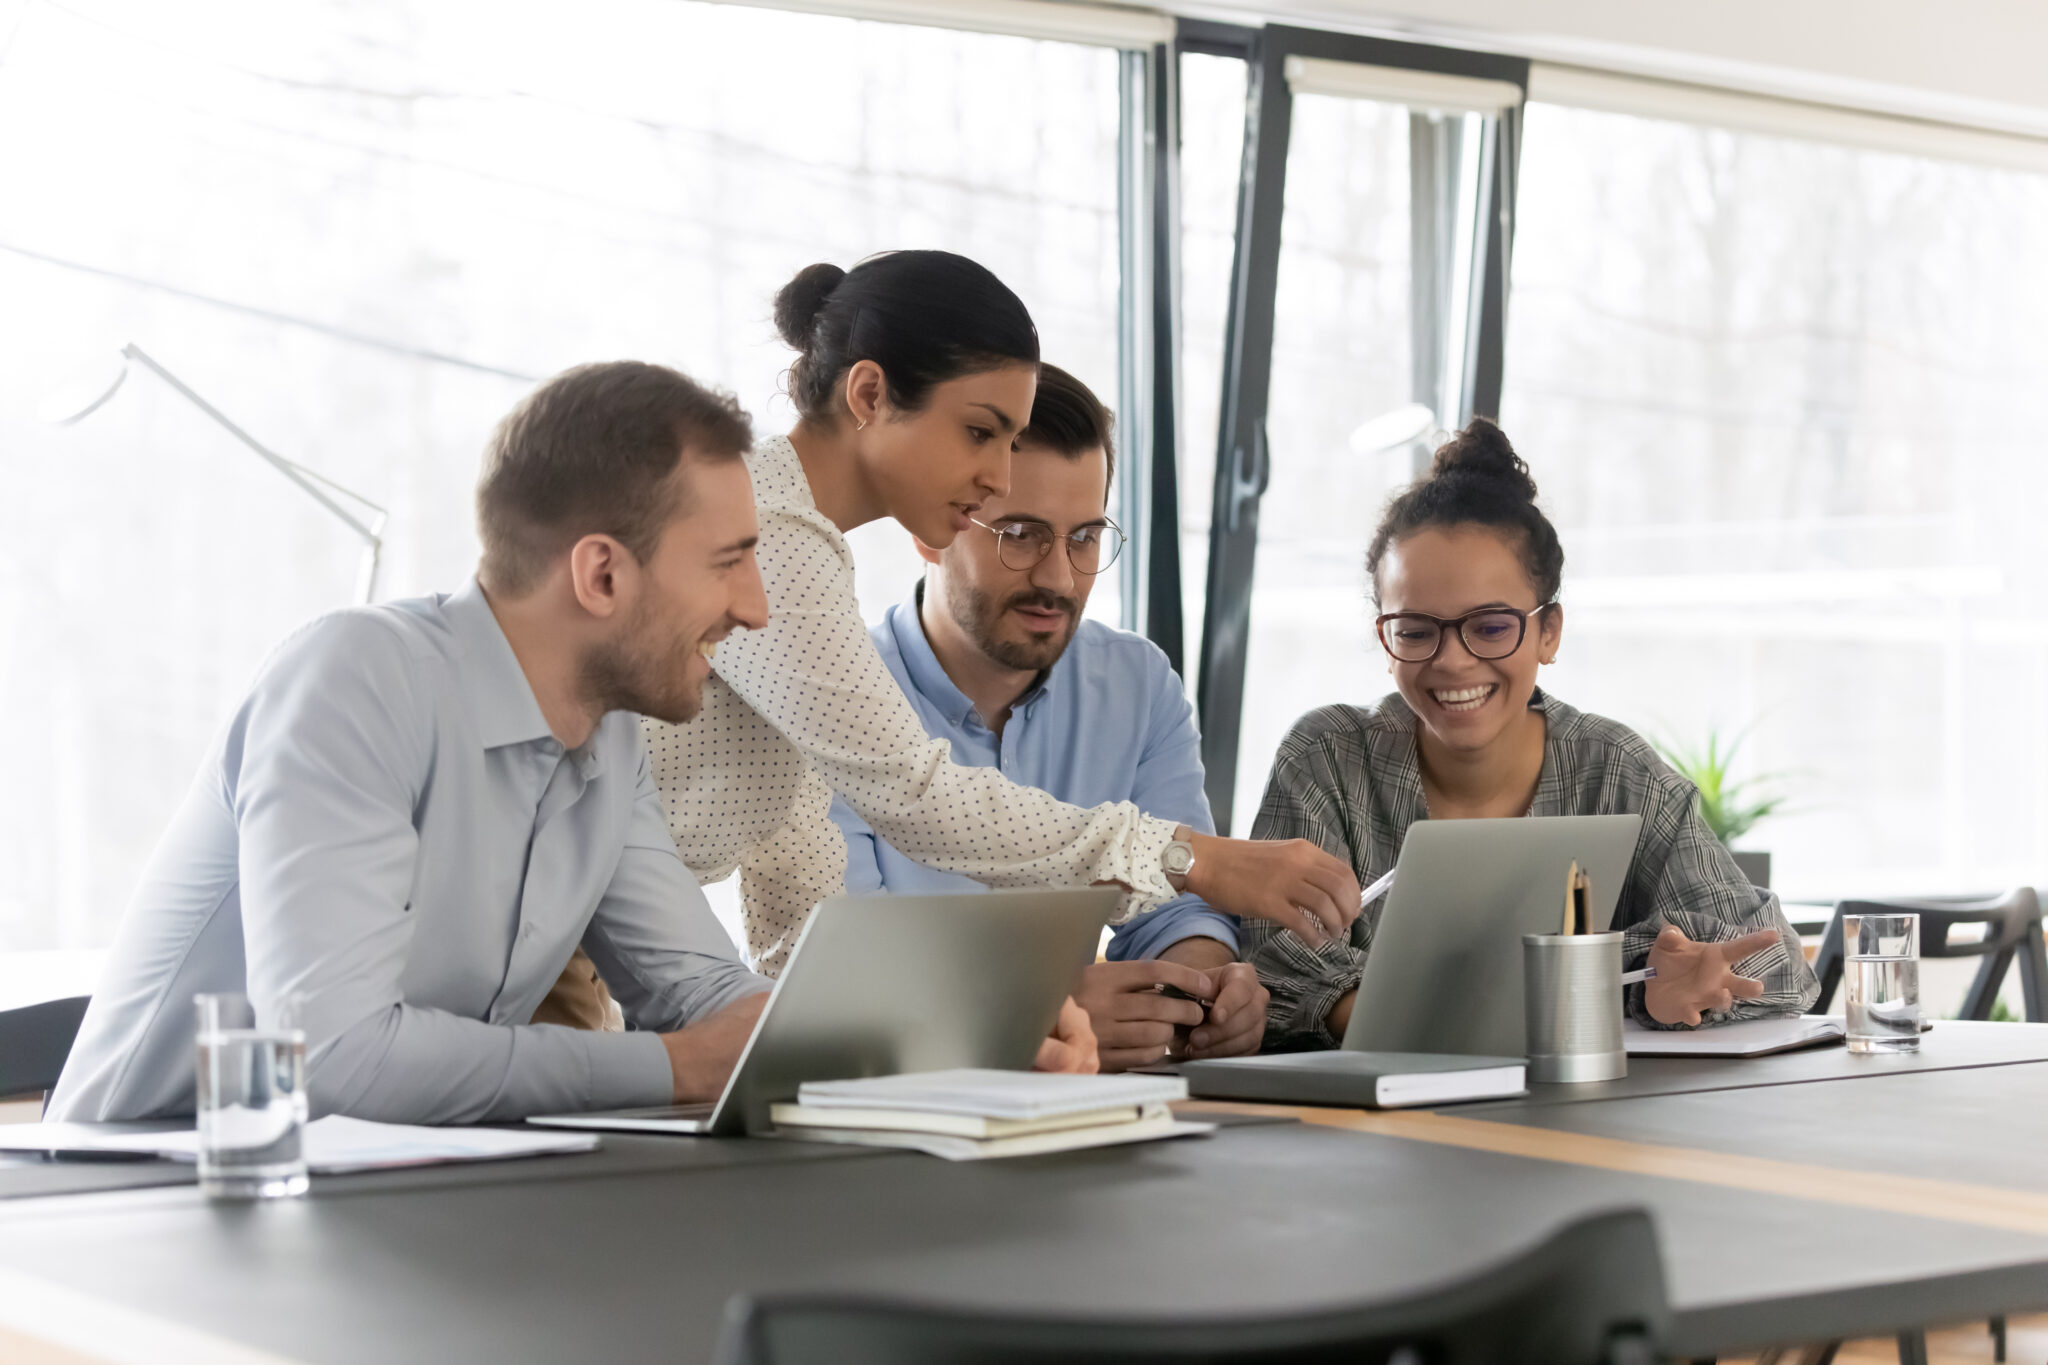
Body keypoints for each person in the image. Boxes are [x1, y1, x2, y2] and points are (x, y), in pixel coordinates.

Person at [51, 363, 785, 1123]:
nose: (756, 608)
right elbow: (334, 1057)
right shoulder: (355, 681)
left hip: (379, 1189)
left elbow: (706, 996)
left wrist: (847, 1044)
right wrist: (670, 1066)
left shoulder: (611, 735)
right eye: (728, 562)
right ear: (600, 574)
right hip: (150, 1190)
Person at [633, 251, 1359, 980]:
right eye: (981, 432)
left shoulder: (804, 551)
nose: (999, 476)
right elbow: (914, 795)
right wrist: (1192, 857)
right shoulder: (769, 534)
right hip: (548, 936)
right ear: (869, 394)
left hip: (602, 941)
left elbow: (796, 871)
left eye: (1010, 441)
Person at [1242, 418, 1820, 1050]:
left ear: (1549, 632)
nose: (1454, 660)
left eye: (1491, 627)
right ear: (1386, 638)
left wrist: (1663, 980)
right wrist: (1603, 975)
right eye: (1414, 630)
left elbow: (1779, 964)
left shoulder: (1615, 769)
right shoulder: (1327, 759)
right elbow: (1273, 966)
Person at [827, 365, 1269, 1070]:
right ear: (931, 529)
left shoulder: (1138, 684)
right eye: (1022, 534)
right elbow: (839, 973)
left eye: (1086, 537)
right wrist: (1039, 1011)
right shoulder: (837, 696)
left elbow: (1175, 907)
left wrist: (1201, 991)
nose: (1059, 578)